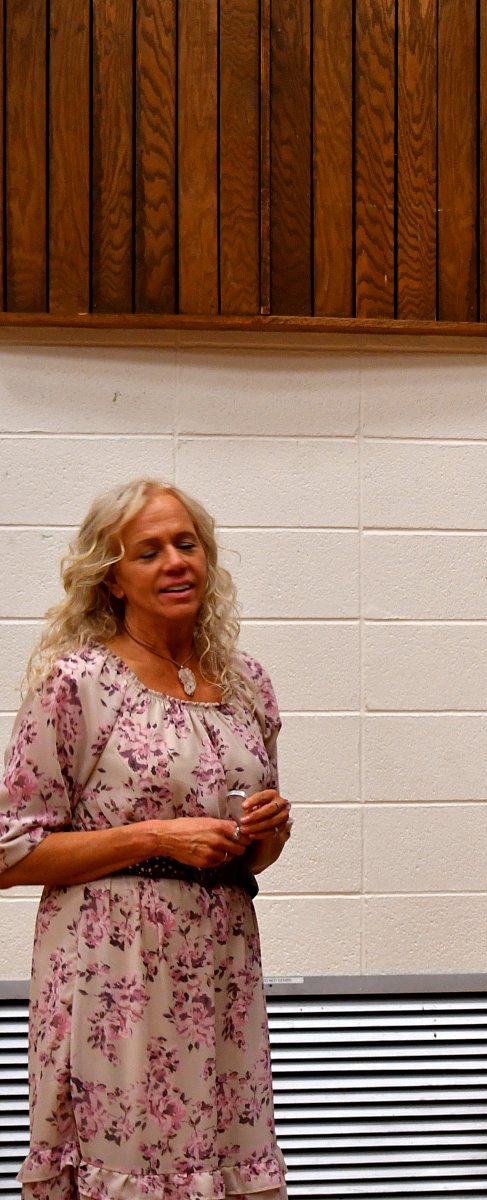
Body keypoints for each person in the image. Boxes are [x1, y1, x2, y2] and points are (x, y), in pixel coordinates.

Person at [0, 479, 294, 1199]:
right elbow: (10, 851)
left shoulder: (247, 685)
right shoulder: (78, 683)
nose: (174, 562)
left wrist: (268, 833)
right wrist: (156, 836)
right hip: (115, 976)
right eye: (149, 551)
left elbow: (249, 855)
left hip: (220, 972)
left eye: (186, 544)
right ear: (113, 578)